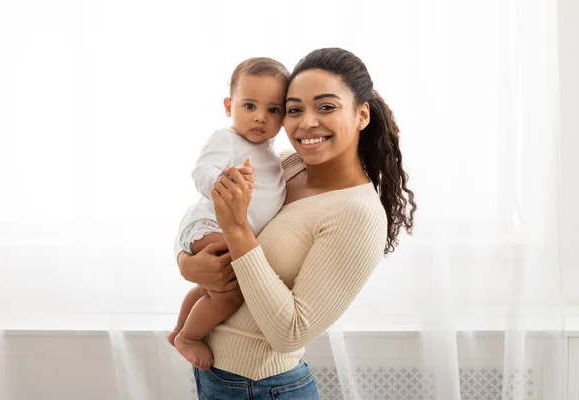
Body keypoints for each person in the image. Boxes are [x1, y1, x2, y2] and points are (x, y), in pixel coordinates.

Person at [174, 47, 416, 399]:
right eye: (293, 110)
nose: (306, 123)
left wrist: (239, 232)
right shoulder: (284, 166)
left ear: (362, 114)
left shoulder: (358, 215)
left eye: (326, 107)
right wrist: (187, 263)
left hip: (263, 388)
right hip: (218, 378)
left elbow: (290, 333)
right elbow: (203, 215)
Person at [168, 57, 289, 370]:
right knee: (231, 294)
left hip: (224, 227)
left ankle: (179, 330)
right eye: (249, 106)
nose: (260, 117)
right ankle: (189, 337)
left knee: (209, 287)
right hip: (208, 223)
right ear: (228, 106)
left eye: (273, 109)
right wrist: (222, 181)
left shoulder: (273, 155)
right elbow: (200, 170)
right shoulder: (227, 139)